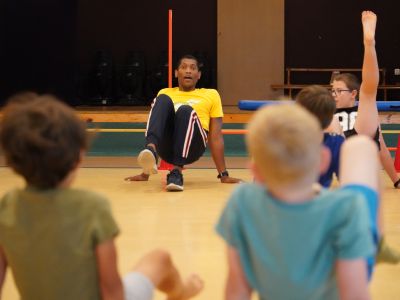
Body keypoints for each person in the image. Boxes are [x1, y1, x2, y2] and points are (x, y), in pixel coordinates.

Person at [0, 94, 203, 300]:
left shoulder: (8, 205)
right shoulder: (92, 207)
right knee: (160, 259)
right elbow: (112, 292)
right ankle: (181, 292)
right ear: (78, 158)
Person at [216, 103, 378, 300]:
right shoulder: (347, 208)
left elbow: (237, 290)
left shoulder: (241, 201)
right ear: (324, 160)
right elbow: (354, 294)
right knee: (362, 146)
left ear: (255, 171)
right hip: (348, 248)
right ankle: (378, 243)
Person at [125, 54, 241, 191]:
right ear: (176, 73)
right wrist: (145, 173)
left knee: (185, 111)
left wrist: (224, 175)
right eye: (183, 67)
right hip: (167, 148)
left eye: (192, 68)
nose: (188, 71)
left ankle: (176, 172)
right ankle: (151, 149)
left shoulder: (211, 94)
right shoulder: (166, 92)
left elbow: (215, 137)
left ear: (198, 75)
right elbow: (158, 123)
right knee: (162, 99)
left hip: (193, 146)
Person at [296, 85, 345, 187]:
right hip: (317, 199)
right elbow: (349, 184)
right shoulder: (336, 143)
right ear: (330, 119)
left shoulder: (278, 139)